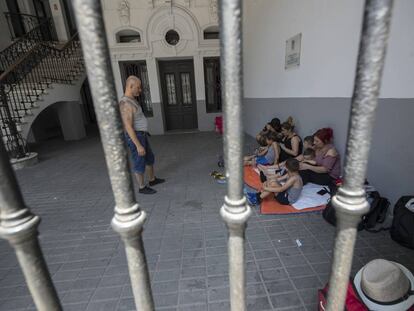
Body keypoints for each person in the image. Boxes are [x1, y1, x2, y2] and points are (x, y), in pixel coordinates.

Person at [119, 75, 165, 194]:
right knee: (139, 162)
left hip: (142, 135)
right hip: (136, 137)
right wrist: (138, 145)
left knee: (150, 158)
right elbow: (128, 126)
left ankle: (152, 179)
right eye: (138, 87)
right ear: (130, 86)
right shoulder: (125, 104)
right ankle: (141, 187)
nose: (140, 90)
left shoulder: (132, 100)